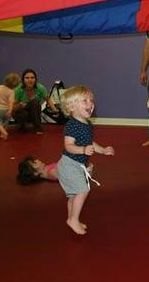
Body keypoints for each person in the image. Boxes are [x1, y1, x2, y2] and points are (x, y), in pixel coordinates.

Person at [58, 85, 114, 235]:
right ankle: (73, 220)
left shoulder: (87, 124)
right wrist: (82, 150)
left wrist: (102, 150)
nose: (90, 104)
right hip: (69, 164)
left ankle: (71, 218)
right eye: (84, 100)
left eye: (91, 100)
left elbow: (90, 142)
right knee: (83, 190)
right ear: (71, 107)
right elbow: (68, 146)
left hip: (77, 164)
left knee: (74, 195)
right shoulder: (72, 125)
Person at [13, 68, 58, 134]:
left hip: (34, 112)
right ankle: (21, 126)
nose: (30, 80)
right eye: (27, 78)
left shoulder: (40, 88)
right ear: (23, 80)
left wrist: (54, 110)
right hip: (22, 112)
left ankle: (37, 127)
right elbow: (14, 107)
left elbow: (48, 99)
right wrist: (19, 105)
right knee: (23, 113)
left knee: (35, 102)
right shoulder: (18, 90)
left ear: (35, 79)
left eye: (32, 77)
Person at [0, 72, 20, 140]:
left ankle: (4, 133)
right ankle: (3, 134)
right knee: (5, 122)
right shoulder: (11, 92)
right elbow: (11, 102)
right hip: (7, 110)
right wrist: (10, 110)